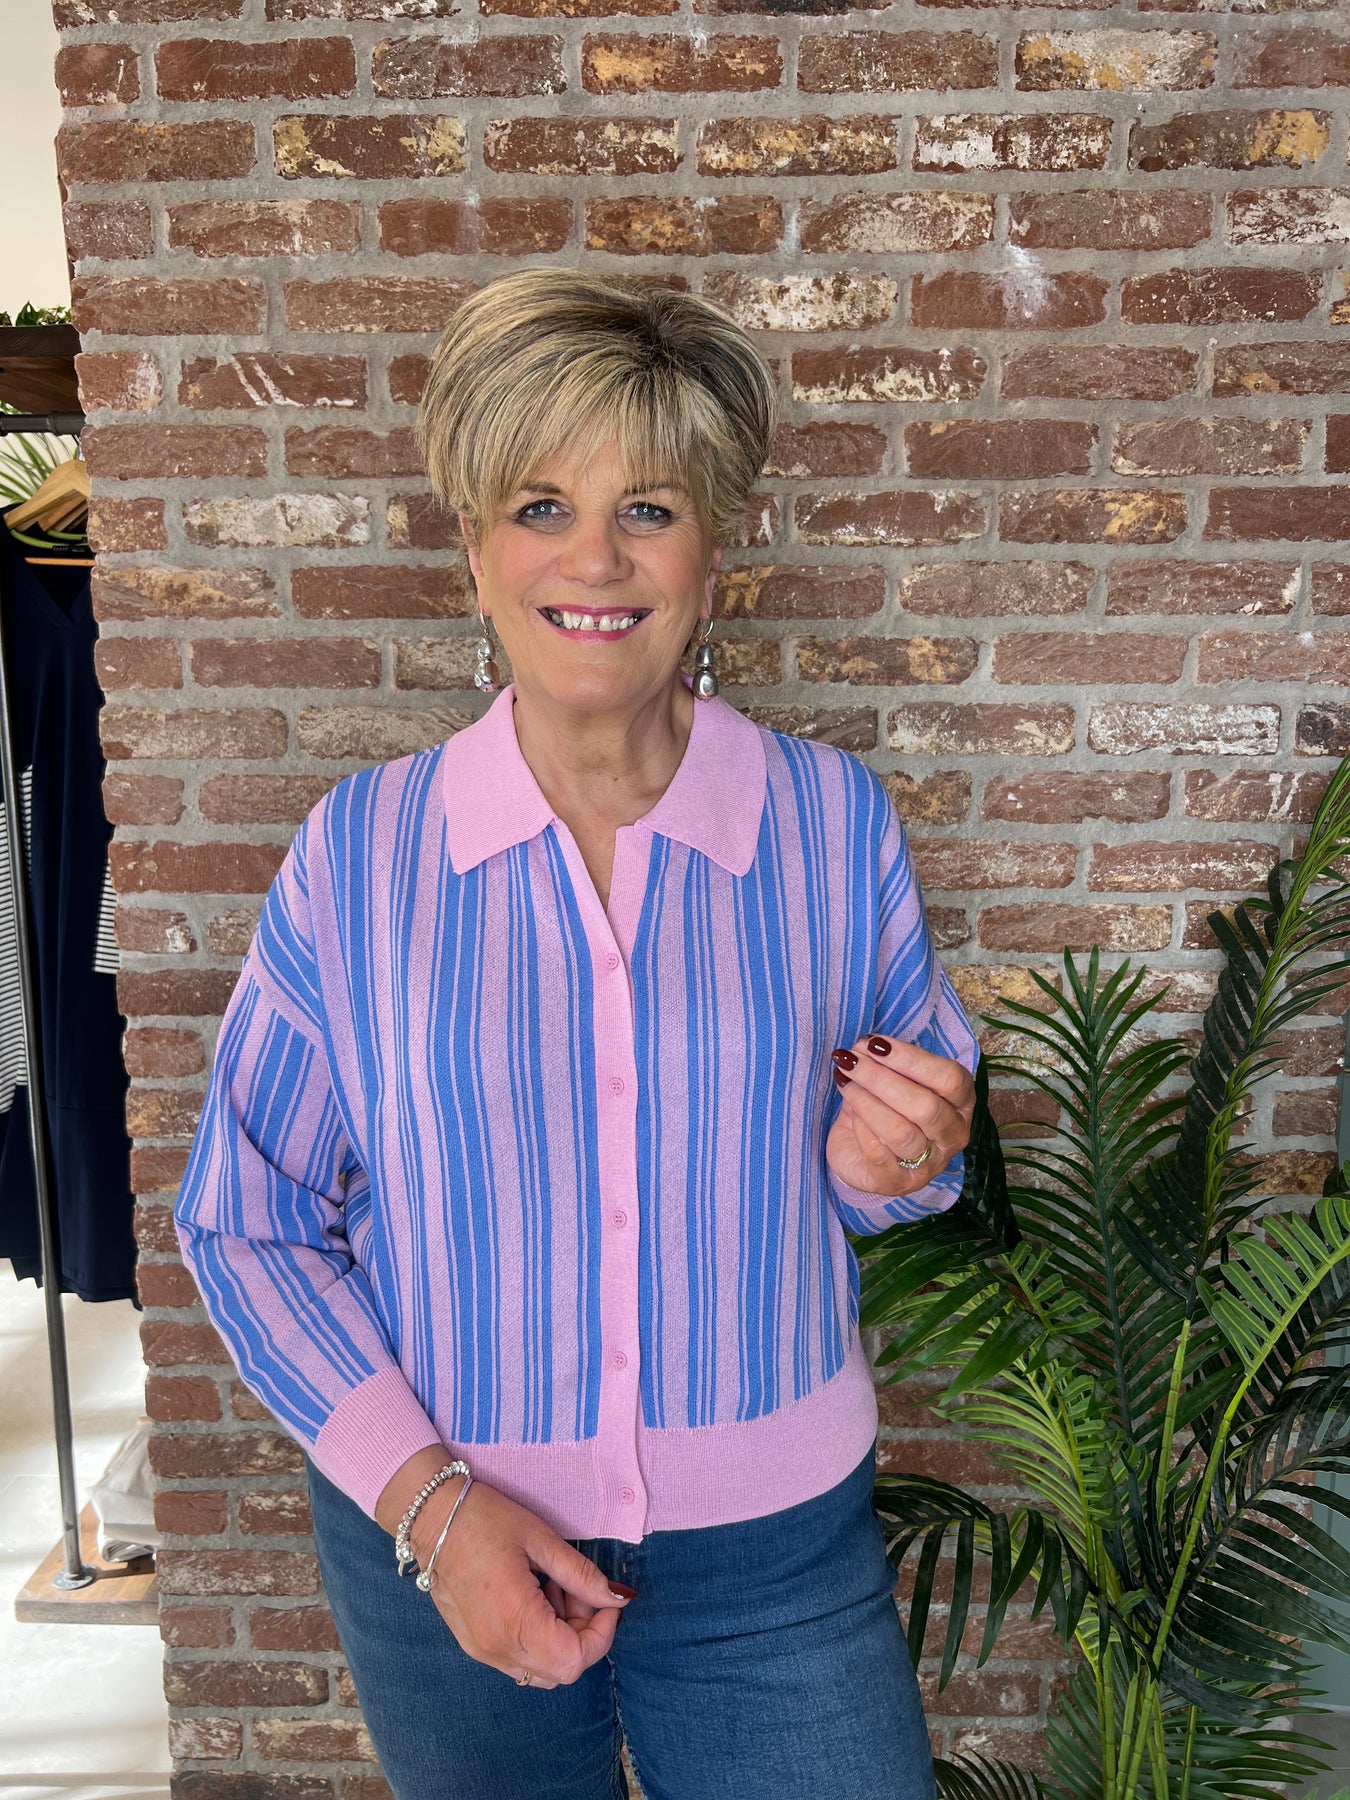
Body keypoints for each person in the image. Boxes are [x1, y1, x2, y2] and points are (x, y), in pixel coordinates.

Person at [175, 268, 980, 1800]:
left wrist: (897, 1159)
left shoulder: (829, 825)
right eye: (541, 506)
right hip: (445, 1545)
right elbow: (244, 1219)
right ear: (472, 544)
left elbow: (901, 1172)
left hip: (773, 1557)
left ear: (713, 551)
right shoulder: (363, 855)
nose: (595, 559)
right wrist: (431, 1508)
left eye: (647, 510)